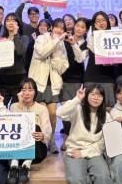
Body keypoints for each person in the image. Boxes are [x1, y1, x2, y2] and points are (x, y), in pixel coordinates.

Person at [57, 84, 114, 184]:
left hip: (95, 152)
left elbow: (103, 143)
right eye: (93, 94)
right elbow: (60, 113)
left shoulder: (107, 116)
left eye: (99, 95)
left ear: (103, 98)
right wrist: (77, 99)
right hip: (74, 150)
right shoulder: (77, 109)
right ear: (87, 95)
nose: (96, 97)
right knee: (76, 180)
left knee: (104, 178)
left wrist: (84, 153)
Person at [29, 18, 83, 153]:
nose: (59, 30)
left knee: (53, 114)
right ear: (51, 28)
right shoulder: (41, 38)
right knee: (41, 114)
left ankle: (51, 139)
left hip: (53, 84)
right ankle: (41, 143)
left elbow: (63, 66)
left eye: (62, 28)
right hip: (38, 82)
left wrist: (55, 60)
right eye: (57, 27)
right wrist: (56, 41)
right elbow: (42, 53)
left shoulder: (62, 44)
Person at [8, 78, 52, 184]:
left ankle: (26, 165)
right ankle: (14, 166)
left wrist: (43, 135)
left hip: (37, 151)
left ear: (35, 92)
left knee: (34, 126)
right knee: (20, 127)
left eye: (30, 90)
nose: (27, 93)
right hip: (17, 149)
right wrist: (20, 105)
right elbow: (13, 127)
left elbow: (47, 130)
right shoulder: (14, 107)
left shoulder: (42, 108)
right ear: (19, 92)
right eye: (23, 90)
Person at [61, 17, 89, 149]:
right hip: (63, 79)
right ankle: (66, 137)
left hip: (78, 80)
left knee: (77, 110)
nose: (79, 29)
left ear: (86, 30)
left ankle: (77, 138)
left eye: (83, 27)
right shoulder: (64, 39)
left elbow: (80, 59)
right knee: (66, 109)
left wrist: (74, 44)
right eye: (78, 25)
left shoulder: (87, 44)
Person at [0, 13, 30, 105]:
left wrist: (15, 34)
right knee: (1, 108)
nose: (10, 22)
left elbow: (20, 51)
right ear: (5, 24)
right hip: (2, 79)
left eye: (13, 20)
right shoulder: (0, 40)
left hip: (18, 79)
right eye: (8, 20)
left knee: (16, 109)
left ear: (18, 23)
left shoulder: (24, 38)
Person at [85, 11, 117, 108]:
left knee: (109, 109)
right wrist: (99, 34)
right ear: (94, 24)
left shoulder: (115, 36)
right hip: (92, 77)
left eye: (103, 20)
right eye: (98, 21)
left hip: (108, 78)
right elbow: (95, 50)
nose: (101, 23)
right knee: (90, 110)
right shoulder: (91, 37)